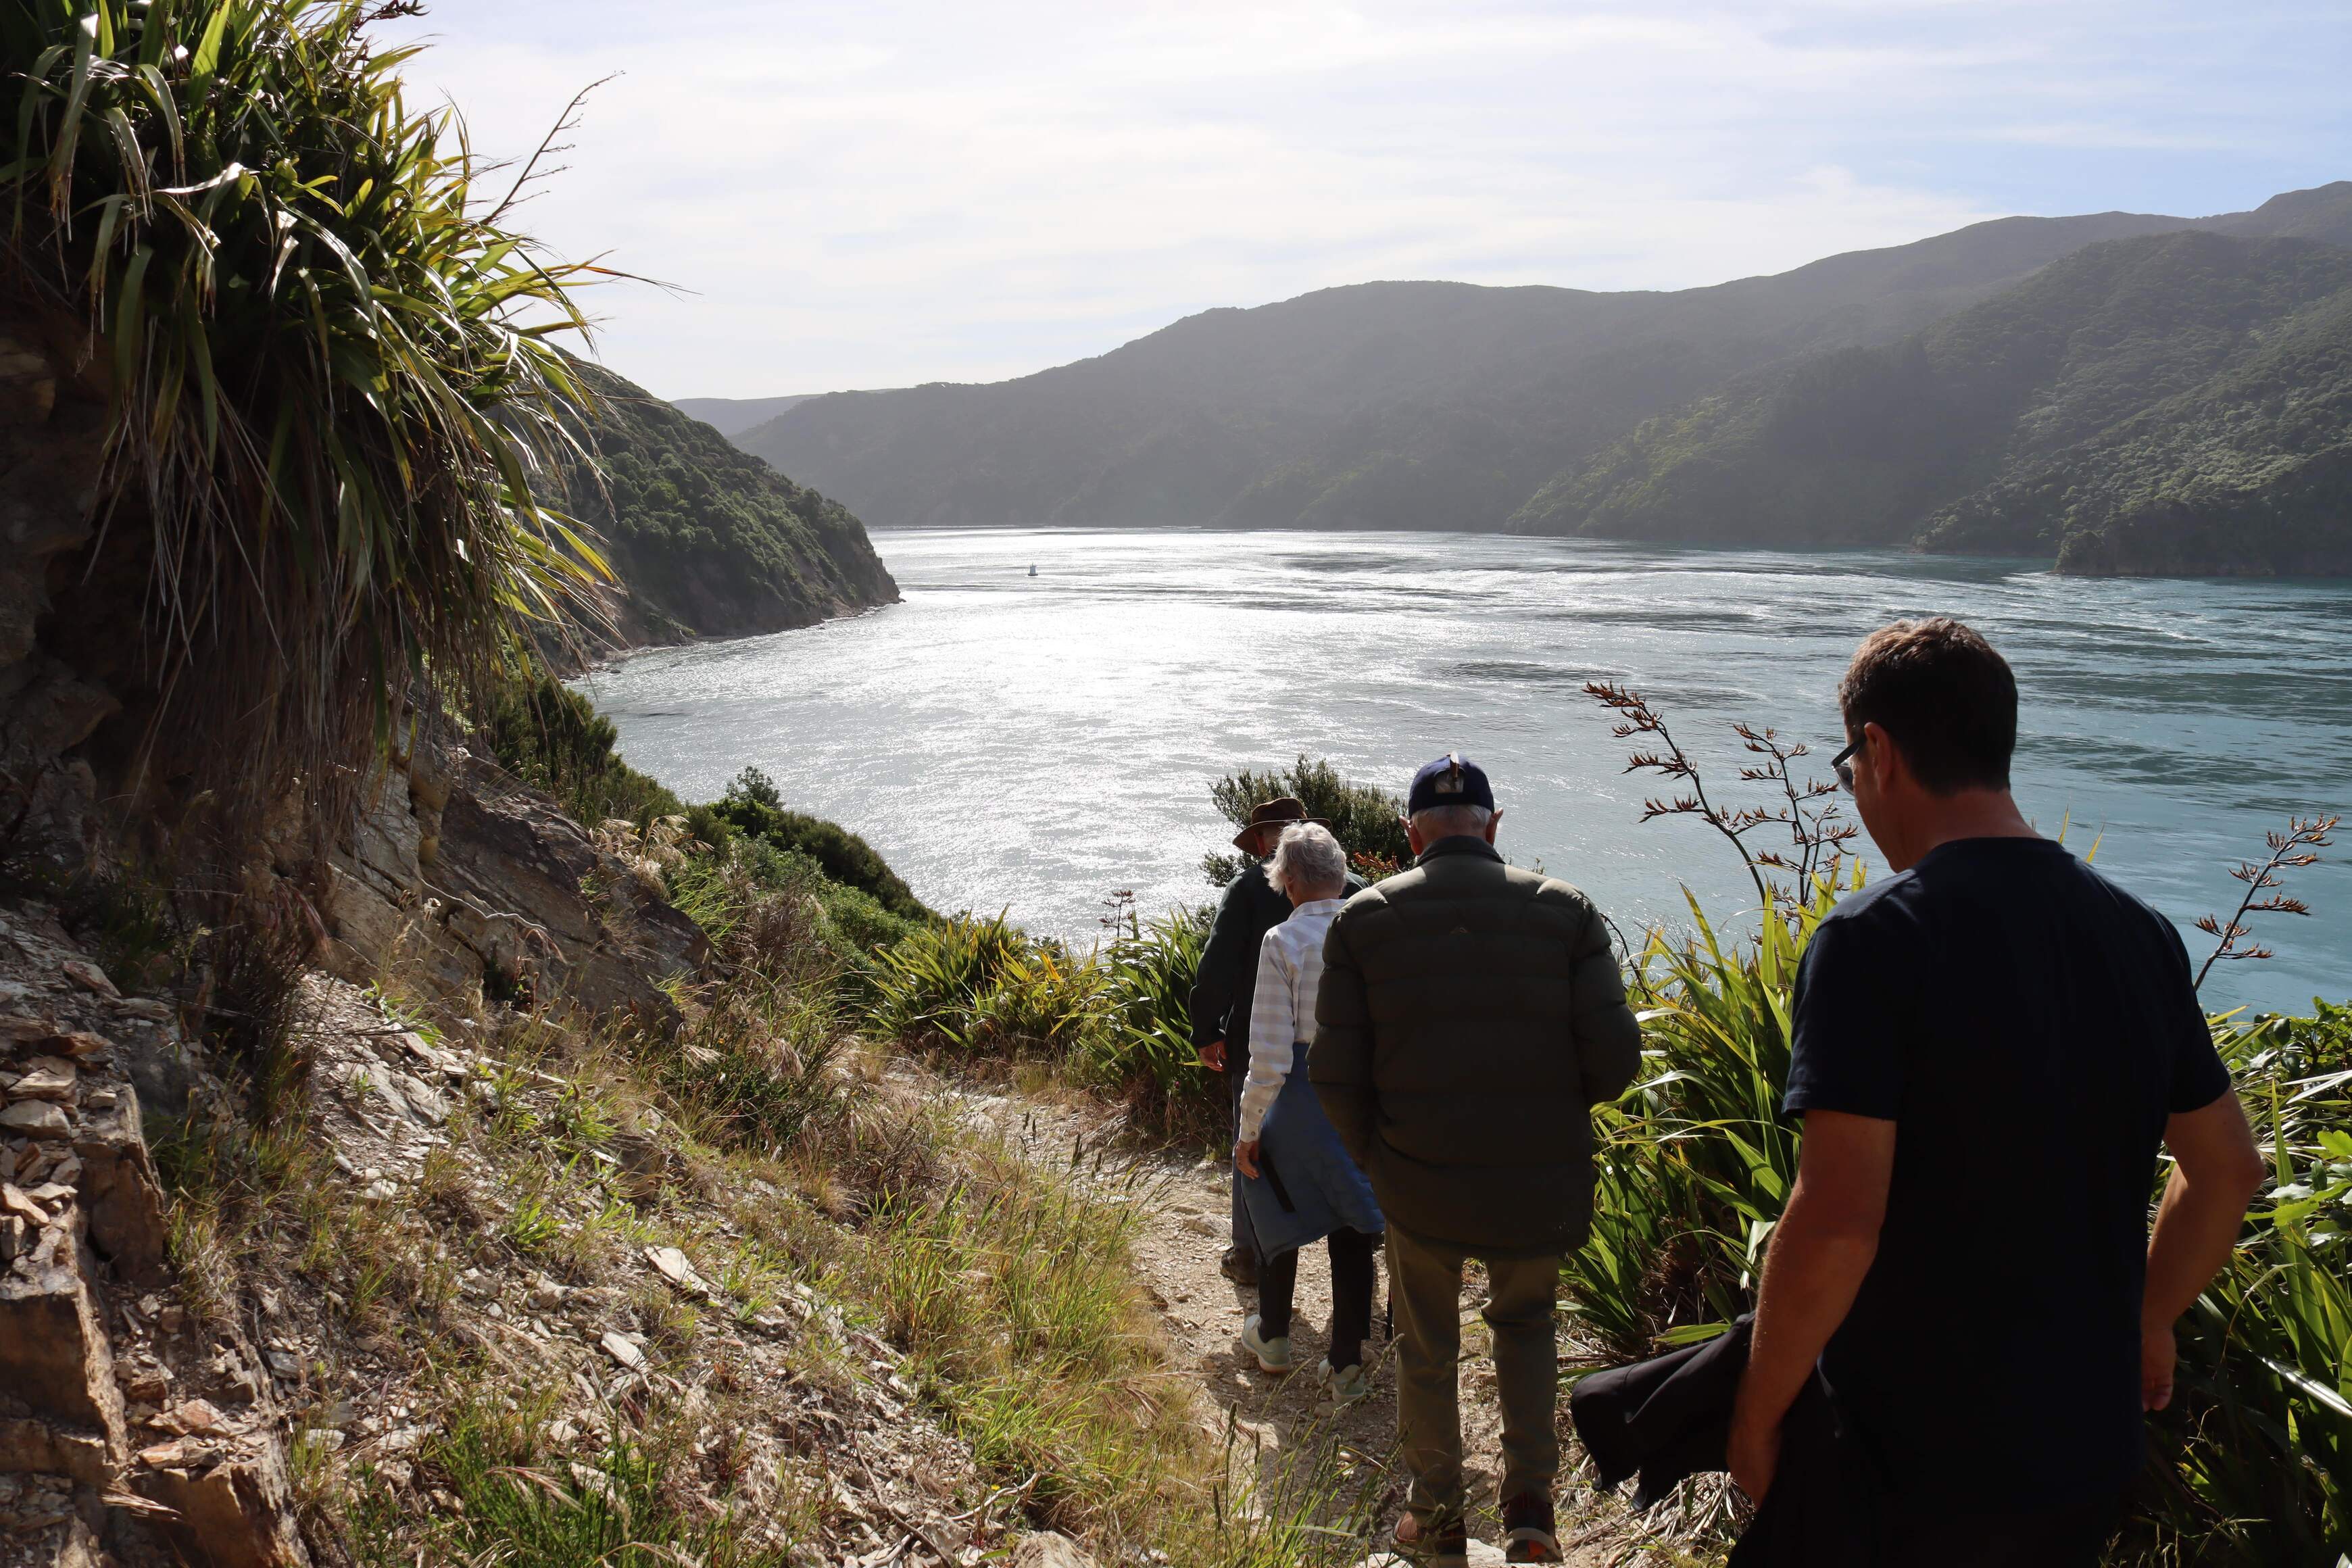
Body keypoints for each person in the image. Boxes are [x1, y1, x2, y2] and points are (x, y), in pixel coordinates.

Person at [1728, 618, 2268, 1567]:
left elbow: (1840, 1223)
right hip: (2082, 1451)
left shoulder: (1873, 940)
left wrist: (1757, 1415)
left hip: (1912, 1459)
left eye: (1849, 762)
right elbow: (2228, 1171)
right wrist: (2146, 1319)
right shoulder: (2138, 933)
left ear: (1879, 752)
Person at [1312, 754, 1642, 1566]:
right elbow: (1615, 1063)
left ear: (1409, 834)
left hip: (1417, 1181)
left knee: (1426, 1345)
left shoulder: (1364, 919)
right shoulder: (1566, 912)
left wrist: (1379, 1159)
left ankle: (1438, 1522)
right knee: (1526, 1327)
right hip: (1539, 1182)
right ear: (1495, 826)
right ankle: (1530, 1510)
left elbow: (1335, 1075)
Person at [1230, 823, 1386, 1408]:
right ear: (1342, 875)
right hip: (1359, 1099)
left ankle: (1273, 1339)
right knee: (1350, 1225)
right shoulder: (1374, 933)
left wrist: (1248, 1132)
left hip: (1299, 1100)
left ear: (1289, 884)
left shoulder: (1282, 943)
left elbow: (1268, 1055)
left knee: (1275, 1207)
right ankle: (1346, 1367)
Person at [1191, 795, 1363, 1284]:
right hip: (1345, 1050)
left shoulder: (1246, 888)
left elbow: (1219, 962)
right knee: (1340, 1144)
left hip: (1257, 1037)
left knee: (1254, 1143)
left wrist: (1206, 1030)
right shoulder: (1357, 890)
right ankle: (1352, 1243)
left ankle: (1250, 1254)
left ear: (1266, 841)